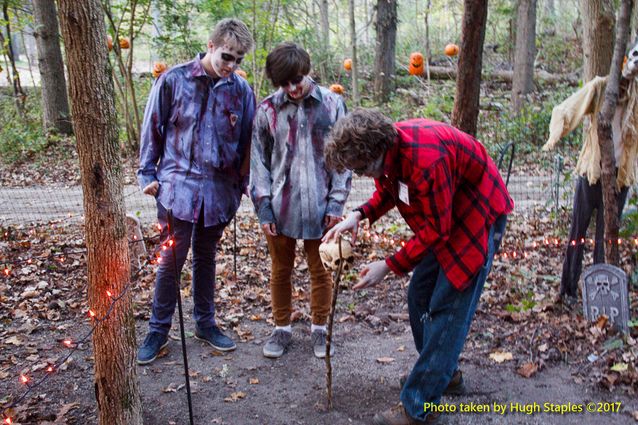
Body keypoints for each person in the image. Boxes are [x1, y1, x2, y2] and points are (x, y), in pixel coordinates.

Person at [323, 109, 513, 425]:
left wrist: (389, 265)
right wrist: (359, 214)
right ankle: (443, 374)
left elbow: (438, 231)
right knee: (420, 297)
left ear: (376, 152)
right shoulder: (391, 150)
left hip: (476, 215)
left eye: (360, 169)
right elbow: (390, 188)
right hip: (445, 216)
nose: (361, 175)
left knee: (446, 311)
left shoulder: (427, 161)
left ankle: (419, 406)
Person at [136, 18, 255, 365]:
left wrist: (246, 185)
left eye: (238, 60)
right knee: (170, 262)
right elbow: (152, 128)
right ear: (211, 45)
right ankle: (157, 332)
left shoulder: (241, 91)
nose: (231, 66)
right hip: (177, 190)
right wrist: (147, 173)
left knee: (207, 259)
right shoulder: (172, 80)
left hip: (219, 194)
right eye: (227, 57)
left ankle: (205, 323)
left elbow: (248, 142)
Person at [249, 42, 351, 359]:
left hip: (322, 207)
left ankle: (320, 330)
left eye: (297, 80)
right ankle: (282, 329)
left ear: (306, 71)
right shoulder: (266, 111)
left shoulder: (333, 105)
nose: (292, 88)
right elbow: (258, 163)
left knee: (320, 270)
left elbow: (343, 160)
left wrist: (336, 205)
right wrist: (264, 207)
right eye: (284, 83)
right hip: (279, 208)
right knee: (280, 270)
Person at [542, 40, 638, 304]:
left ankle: (600, 295)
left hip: (620, 177)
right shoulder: (601, 87)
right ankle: (568, 290)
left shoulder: (637, 98)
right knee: (578, 234)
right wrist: (555, 135)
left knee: (606, 238)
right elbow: (568, 108)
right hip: (592, 173)